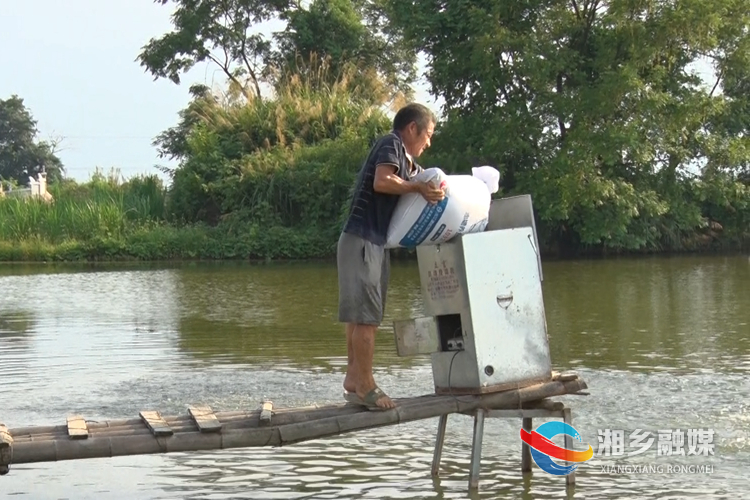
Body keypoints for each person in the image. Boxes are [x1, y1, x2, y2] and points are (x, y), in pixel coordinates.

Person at [337, 103, 445, 410]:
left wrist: (423, 186)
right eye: (429, 134)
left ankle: (353, 378)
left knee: (359, 317)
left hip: (368, 242)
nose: (429, 142)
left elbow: (413, 182)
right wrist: (417, 188)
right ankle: (366, 386)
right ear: (412, 128)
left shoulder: (406, 160)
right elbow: (382, 181)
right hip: (363, 240)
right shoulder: (391, 143)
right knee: (367, 319)